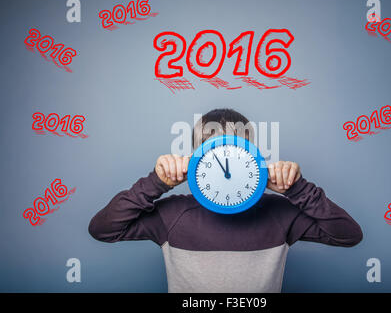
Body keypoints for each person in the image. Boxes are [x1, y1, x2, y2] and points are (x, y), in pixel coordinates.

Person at [88, 108, 363, 292]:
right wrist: (156, 183)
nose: (225, 162)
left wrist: (298, 188)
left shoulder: (281, 213)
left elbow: (348, 235)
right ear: (197, 157)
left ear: (252, 154)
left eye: (235, 150)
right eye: (213, 151)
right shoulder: (172, 215)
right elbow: (103, 229)